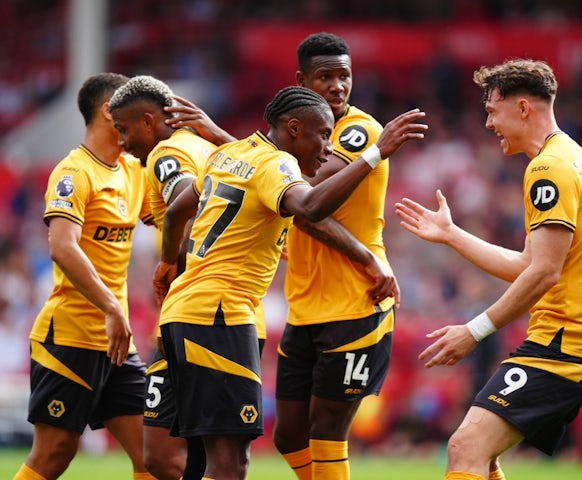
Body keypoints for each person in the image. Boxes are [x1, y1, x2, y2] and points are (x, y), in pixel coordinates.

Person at [152, 85, 427, 480]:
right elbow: (310, 207)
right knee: (229, 466)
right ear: (294, 129)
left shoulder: (229, 153)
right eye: (322, 134)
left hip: (186, 311)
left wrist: (166, 262)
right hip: (219, 315)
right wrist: (375, 152)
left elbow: (178, 209)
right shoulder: (276, 164)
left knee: (206, 461)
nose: (329, 148)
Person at [395, 59, 582, 480]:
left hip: (568, 344)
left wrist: (474, 331)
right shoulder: (572, 157)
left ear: (522, 108)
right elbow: (527, 265)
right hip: (570, 338)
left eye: (492, 111)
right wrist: (452, 234)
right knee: (483, 455)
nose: (487, 123)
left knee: (465, 448)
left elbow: (544, 273)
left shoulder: (547, 169)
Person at [13, 73, 157, 480]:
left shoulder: (133, 171)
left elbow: (165, 219)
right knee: (55, 454)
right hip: (71, 336)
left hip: (116, 342)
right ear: (110, 112)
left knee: (153, 455)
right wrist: (112, 306)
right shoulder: (73, 173)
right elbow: (62, 246)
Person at [272, 32, 402, 480]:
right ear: (301, 81)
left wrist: (367, 258)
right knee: (288, 435)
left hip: (356, 300)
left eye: (343, 76)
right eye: (324, 77)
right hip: (306, 304)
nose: (337, 86)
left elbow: (309, 201)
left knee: (327, 430)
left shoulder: (360, 129)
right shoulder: (294, 135)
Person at [108, 75, 235, 480]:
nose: (123, 142)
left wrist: (168, 261)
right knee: (182, 458)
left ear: (149, 121)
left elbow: (185, 200)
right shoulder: (207, 147)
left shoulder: (168, 153)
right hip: (199, 315)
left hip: (207, 317)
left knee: (183, 459)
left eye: (125, 130)